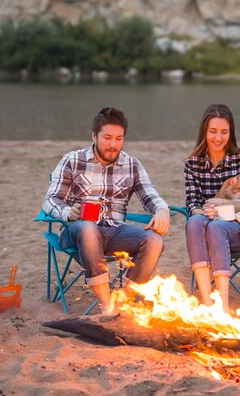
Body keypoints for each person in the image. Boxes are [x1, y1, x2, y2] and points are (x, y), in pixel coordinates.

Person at [43, 107, 170, 315]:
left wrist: (162, 210)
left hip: (115, 231)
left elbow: (150, 195)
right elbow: (50, 200)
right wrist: (68, 213)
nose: (113, 145)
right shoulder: (73, 160)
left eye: (119, 138)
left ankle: (124, 301)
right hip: (78, 231)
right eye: (107, 138)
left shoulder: (131, 164)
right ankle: (107, 305)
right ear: (94, 136)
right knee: (87, 227)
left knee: (154, 240)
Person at [184, 103, 240, 313]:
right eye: (213, 131)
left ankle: (222, 308)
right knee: (194, 221)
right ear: (204, 131)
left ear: (231, 133)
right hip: (206, 222)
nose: (218, 138)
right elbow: (192, 204)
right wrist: (205, 212)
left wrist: (224, 206)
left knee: (216, 227)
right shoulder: (193, 163)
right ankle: (207, 302)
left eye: (224, 132)